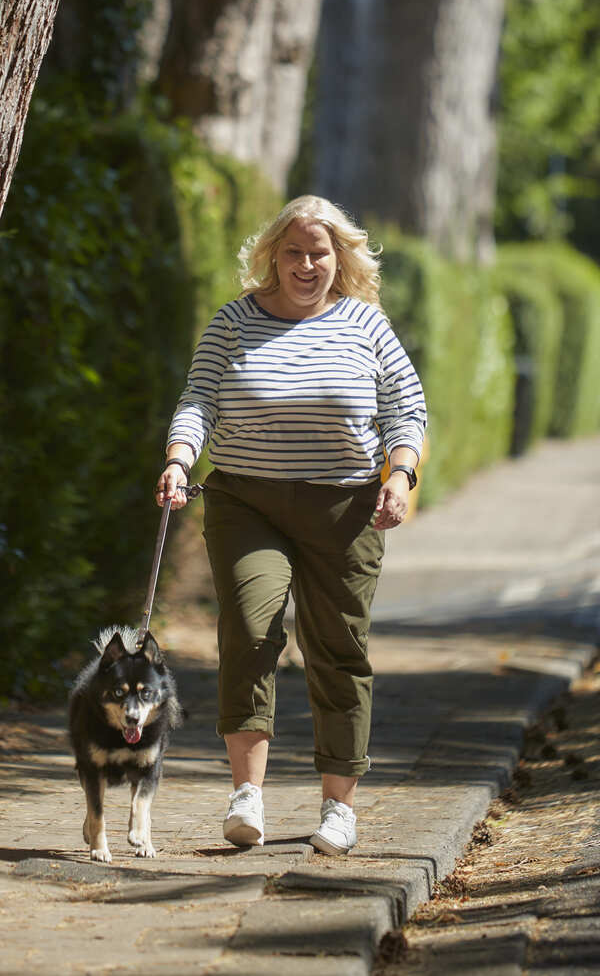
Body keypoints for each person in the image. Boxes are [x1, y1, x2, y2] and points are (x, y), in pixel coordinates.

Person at [156, 195, 427, 855]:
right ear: (272, 256)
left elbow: (407, 410)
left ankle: (338, 806)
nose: (307, 265)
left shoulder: (365, 324)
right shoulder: (234, 322)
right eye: (295, 252)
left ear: (341, 258)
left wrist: (400, 475)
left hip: (345, 508)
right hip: (247, 501)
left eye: (320, 253)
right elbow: (200, 399)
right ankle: (247, 794)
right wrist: (178, 458)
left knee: (337, 648)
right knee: (250, 628)